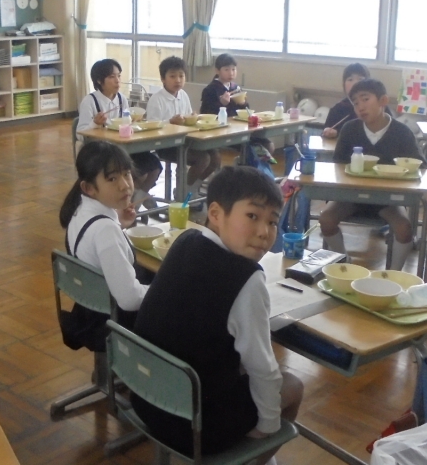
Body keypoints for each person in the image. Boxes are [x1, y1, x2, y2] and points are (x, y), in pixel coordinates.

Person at [131, 166, 302, 460]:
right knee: (292, 386)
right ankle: (257, 458)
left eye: (273, 222)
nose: (264, 232)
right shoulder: (246, 279)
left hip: (146, 398)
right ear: (215, 213)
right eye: (252, 216)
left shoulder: (184, 241)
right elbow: (264, 370)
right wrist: (267, 427)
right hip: (195, 428)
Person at [321, 79, 425, 271]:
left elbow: (420, 167)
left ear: (383, 100)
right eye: (355, 103)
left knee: (404, 229)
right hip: (351, 197)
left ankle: (392, 274)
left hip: (387, 200)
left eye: (365, 99)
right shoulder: (349, 129)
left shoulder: (402, 132)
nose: (360, 107)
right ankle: (344, 264)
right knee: (326, 219)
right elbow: (337, 166)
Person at [58, 141, 149, 354]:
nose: (125, 185)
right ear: (88, 188)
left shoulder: (79, 211)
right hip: (114, 322)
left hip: (92, 310)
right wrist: (165, 291)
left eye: (126, 174)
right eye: (112, 179)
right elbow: (129, 299)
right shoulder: (105, 230)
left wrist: (119, 224)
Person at [146, 56, 220, 197]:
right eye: (172, 76)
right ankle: (183, 192)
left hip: (186, 142)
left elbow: (187, 119)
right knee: (203, 159)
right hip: (166, 146)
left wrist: (193, 117)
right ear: (163, 79)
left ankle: (189, 188)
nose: (178, 80)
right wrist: (170, 123)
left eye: (181, 76)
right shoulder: (156, 99)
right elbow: (151, 128)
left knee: (215, 158)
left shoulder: (183, 95)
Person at [323, 63, 392, 139]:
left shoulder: (380, 107)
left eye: (360, 79)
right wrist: (330, 133)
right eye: (350, 79)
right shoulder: (337, 109)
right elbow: (324, 135)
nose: (355, 83)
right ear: (344, 84)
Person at [76, 59, 128, 132]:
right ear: (99, 80)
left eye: (119, 76)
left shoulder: (122, 99)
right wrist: (95, 123)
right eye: (112, 76)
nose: (117, 80)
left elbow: (126, 125)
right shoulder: (89, 101)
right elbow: (80, 134)